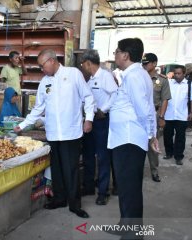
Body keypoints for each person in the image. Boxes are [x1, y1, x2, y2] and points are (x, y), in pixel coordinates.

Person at [14, 49, 95, 219]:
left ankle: (75, 205)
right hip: (53, 134)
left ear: (52, 60)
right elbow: (38, 108)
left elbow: (88, 97)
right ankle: (59, 199)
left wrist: (89, 119)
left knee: (71, 170)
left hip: (71, 133)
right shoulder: (44, 82)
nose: (42, 69)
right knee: (57, 169)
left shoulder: (73, 74)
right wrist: (23, 125)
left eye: (42, 65)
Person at [107, 38, 159, 239]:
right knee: (126, 186)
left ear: (125, 55)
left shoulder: (135, 76)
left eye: (117, 52)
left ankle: (134, 235)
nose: (115, 55)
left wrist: (150, 135)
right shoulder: (134, 75)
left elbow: (143, 110)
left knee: (130, 189)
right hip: (124, 139)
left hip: (129, 140)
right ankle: (125, 225)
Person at [80, 49, 118, 205]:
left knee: (103, 157)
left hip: (102, 121)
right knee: (88, 155)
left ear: (89, 63)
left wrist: (105, 109)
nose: (83, 67)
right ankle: (89, 186)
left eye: (83, 64)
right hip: (90, 120)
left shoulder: (105, 76)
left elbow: (116, 94)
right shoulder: (89, 80)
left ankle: (103, 192)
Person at [142, 53, 172, 182]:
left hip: (154, 115)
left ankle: (154, 171)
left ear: (154, 64)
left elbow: (165, 99)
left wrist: (161, 117)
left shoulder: (162, 80)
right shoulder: (140, 77)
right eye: (143, 63)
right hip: (140, 115)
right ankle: (137, 171)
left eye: (147, 63)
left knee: (152, 145)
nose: (144, 65)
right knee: (138, 143)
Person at [163, 65, 192, 165]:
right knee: (167, 136)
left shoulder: (190, 84)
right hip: (169, 115)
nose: (177, 76)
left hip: (182, 116)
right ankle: (169, 153)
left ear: (184, 73)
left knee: (180, 137)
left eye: (179, 73)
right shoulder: (169, 83)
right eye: (175, 73)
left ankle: (178, 156)